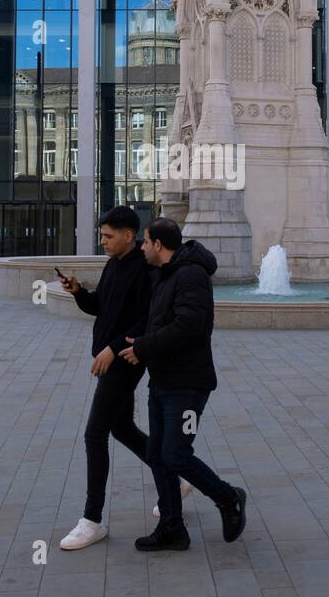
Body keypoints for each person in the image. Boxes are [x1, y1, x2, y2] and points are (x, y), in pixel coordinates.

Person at [57, 206, 188, 551]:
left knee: (94, 434)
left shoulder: (146, 271)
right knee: (121, 428)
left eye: (107, 236)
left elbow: (145, 321)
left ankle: (92, 520)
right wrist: (77, 292)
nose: (103, 241)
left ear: (129, 236)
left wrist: (113, 349)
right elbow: (101, 305)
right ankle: (178, 478)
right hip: (110, 358)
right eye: (102, 235)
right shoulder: (113, 264)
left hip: (125, 361)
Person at [117, 217, 247, 552]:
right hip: (162, 379)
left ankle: (228, 497)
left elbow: (188, 326)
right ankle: (172, 527)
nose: (142, 247)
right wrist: (141, 339)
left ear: (159, 244)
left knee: (175, 453)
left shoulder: (191, 276)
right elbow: (160, 321)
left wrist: (144, 347)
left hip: (188, 384)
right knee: (157, 454)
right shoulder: (164, 275)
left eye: (145, 242)